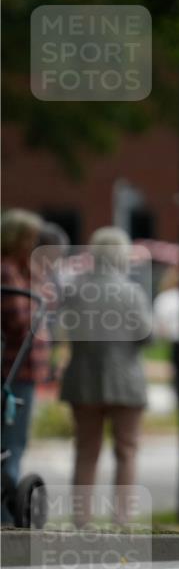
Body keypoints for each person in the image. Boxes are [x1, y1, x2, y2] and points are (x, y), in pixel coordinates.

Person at [58, 227, 152, 526]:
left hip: (82, 379)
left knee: (85, 451)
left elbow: (66, 330)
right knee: (126, 450)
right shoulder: (131, 292)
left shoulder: (74, 290)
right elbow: (146, 336)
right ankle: (121, 521)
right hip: (126, 379)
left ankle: (81, 520)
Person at [1, 209, 50, 522]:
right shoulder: (6, 272)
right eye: (31, 238)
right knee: (12, 443)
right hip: (14, 371)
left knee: (13, 442)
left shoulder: (18, 269)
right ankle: (6, 518)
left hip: (23, 371)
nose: (36, 244)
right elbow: (20, 321)